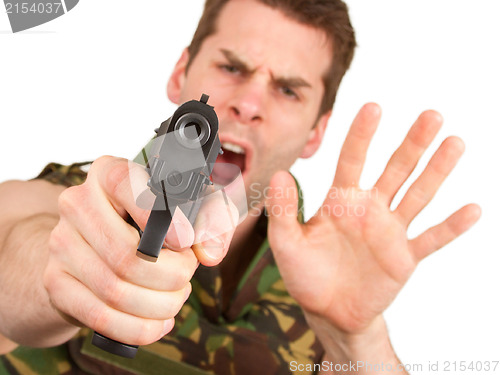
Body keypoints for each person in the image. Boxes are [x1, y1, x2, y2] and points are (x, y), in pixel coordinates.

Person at [0, 0, 481, 374]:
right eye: (232, 68)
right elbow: (16, 244)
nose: (248, 103)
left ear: (316, 132)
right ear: (179, 74)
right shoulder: (79, 200)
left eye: (287, 89)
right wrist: (67, 272)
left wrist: (355, 337)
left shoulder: (331, 269)